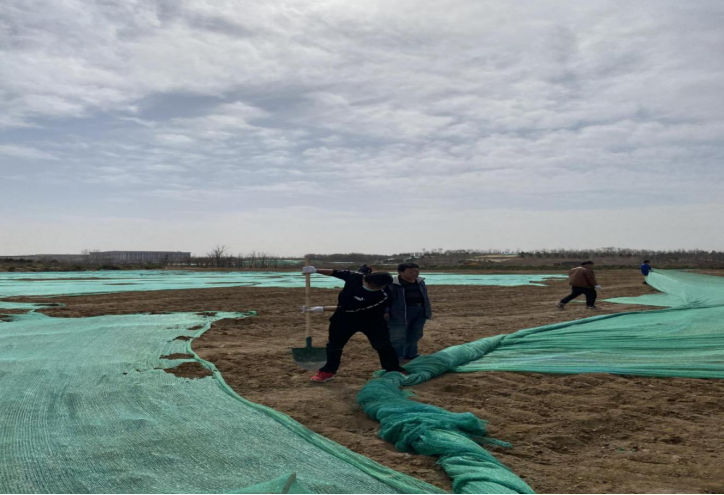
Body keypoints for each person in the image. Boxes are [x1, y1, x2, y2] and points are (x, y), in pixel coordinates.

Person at [301, 266, 407, 383]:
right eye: (367, 284)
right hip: (343, 319)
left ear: (383, 286)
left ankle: (393, 368)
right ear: (364, 279)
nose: (368, 287)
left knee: (383, 345)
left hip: (372, 320)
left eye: (374, 287)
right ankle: (327, 372)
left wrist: (322, 308)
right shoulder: (356, 277)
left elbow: (349, 307)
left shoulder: (384, 295)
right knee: (334, 346)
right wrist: (316, 270)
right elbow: (335, 272)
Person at [387, 263, 432, 362]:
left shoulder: (420, 282)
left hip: (419, 310)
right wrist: (386, 311)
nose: (414, 273)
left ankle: (411, 354)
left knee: (415, 334)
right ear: (400, 272)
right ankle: (396, 357)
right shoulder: (393, 284)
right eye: (411, 272)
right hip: (399, 312)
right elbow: (386, 299)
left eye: (416, 271)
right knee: (398, 335)